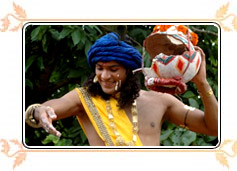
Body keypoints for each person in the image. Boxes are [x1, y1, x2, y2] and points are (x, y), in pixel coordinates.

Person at [25, 31, 218, 146]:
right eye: (100, 68)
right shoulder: (83, 98)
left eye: (113, 69)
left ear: (130, 71)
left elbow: (214, 128)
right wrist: (39, 111)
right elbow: (53, 106)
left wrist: (202, 83)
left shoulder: (160, 101)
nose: (104, 76)